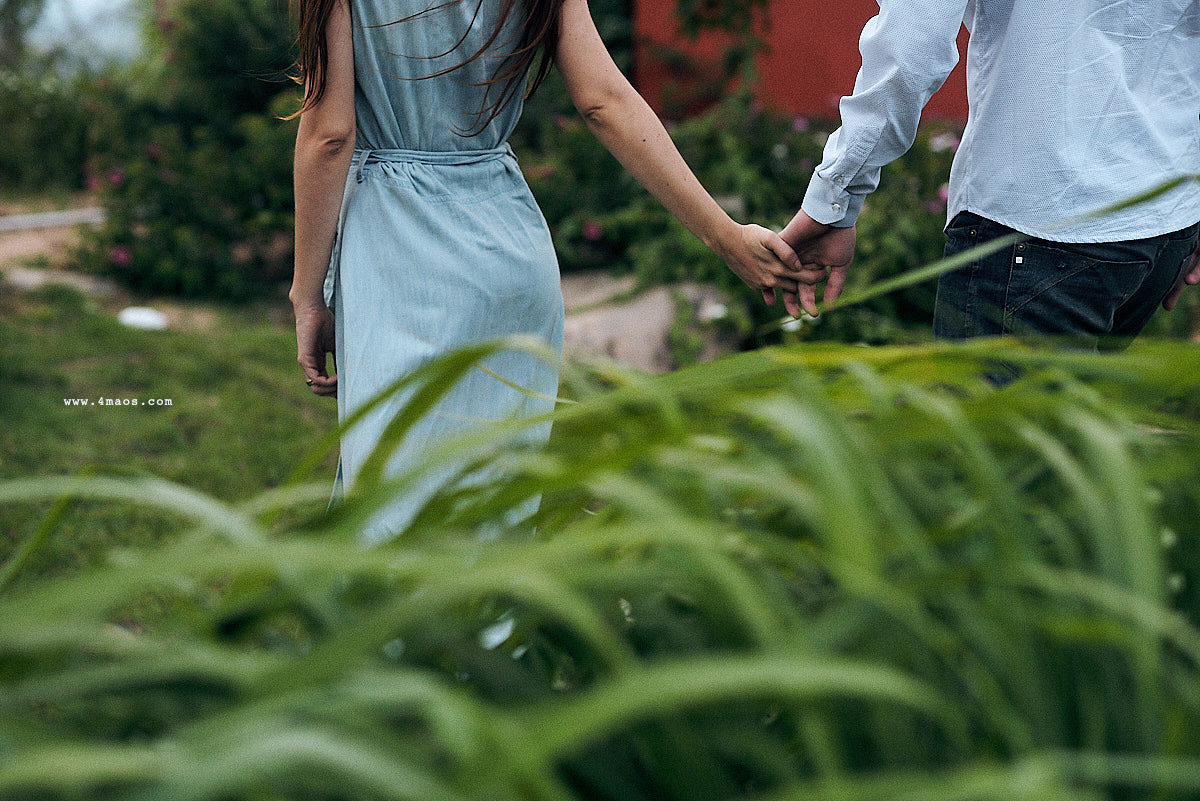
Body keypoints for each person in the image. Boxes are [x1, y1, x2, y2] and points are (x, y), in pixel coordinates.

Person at [288, 0, 808, 540]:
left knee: (396, 523)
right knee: (497, 520)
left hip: (399, 259)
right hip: (510, 251)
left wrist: (308, 295)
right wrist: (726, 237)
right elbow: (604, 99)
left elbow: (329, 134)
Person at [778, 0, 1200, 348]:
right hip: (1165, 221)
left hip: (1038, 223)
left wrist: (837, 194)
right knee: (1078, 445)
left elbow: (912, 45)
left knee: (993, 447)